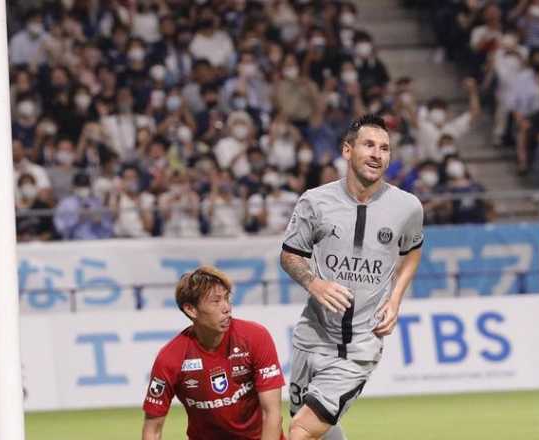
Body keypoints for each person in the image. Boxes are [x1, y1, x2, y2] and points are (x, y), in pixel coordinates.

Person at [279, 115, 424, 440]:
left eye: (384, 148)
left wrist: (396, 299)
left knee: (300, 430)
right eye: (369, 145)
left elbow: (412, 250)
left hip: (361, 342)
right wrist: (314, 283)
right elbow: (289, 255)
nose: (377, 154)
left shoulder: (407, 207)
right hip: (311, 337)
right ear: (347, 150)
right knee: (316, 428)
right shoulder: (314, 202)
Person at [142, 266, 284, 440]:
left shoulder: (255, 337)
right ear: (191, 310)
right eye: (216, 301)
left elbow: (272, 414)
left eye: (227, 298)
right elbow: (152, 431)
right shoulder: (170, 358)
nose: (226, 308)